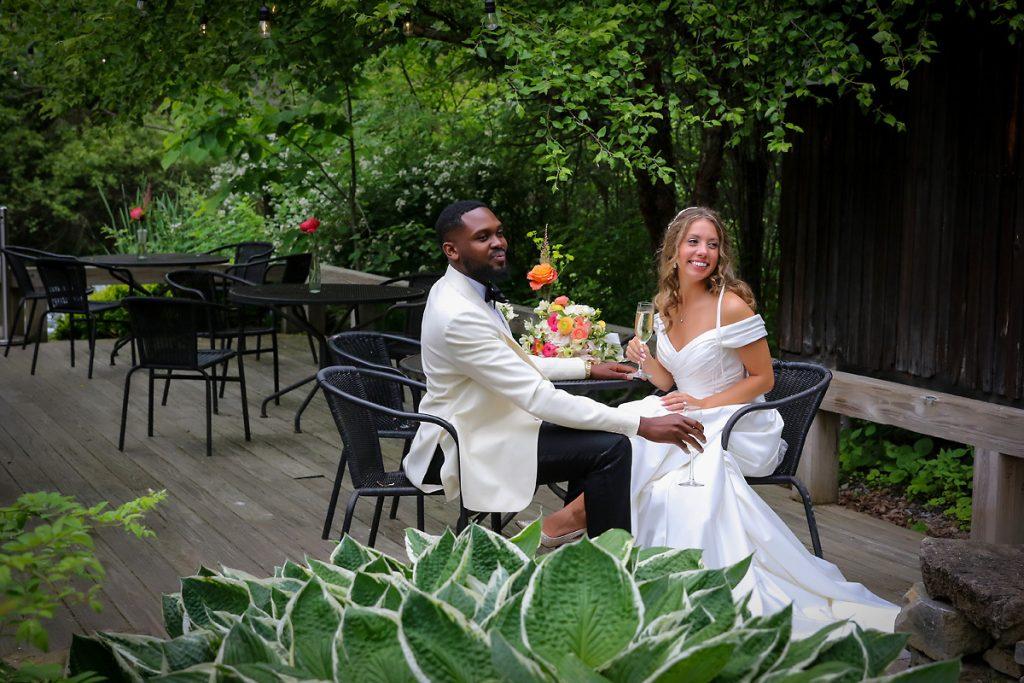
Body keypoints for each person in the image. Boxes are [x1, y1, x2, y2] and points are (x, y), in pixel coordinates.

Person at [538, 206, 898, 636]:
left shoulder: (733, 306)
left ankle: (571, 521)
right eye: (693, 242)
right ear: (674, 251)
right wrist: (647, 360)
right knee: (625, 423)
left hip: (736, 418)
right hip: (687, 405)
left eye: (711, 244)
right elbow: (669, 381)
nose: (702, 252)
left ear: (720, 254)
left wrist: (704, 402)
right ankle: (598, 546)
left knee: (650, 430)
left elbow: (762, 378)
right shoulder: (666, 304)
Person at [403, 200, 706, 544]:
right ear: (452, 250)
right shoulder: (458, 313)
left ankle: (576, 546)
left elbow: (513, 363)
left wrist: (587, 367)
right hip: (463, 443)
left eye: (499, 232)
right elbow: (536, 397)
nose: (498, 242)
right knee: (612, 448)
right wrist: (644, 426)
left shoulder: (465, 291)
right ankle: (609, 564)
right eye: (482, 237)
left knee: (595, 437)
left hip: (489, 423)